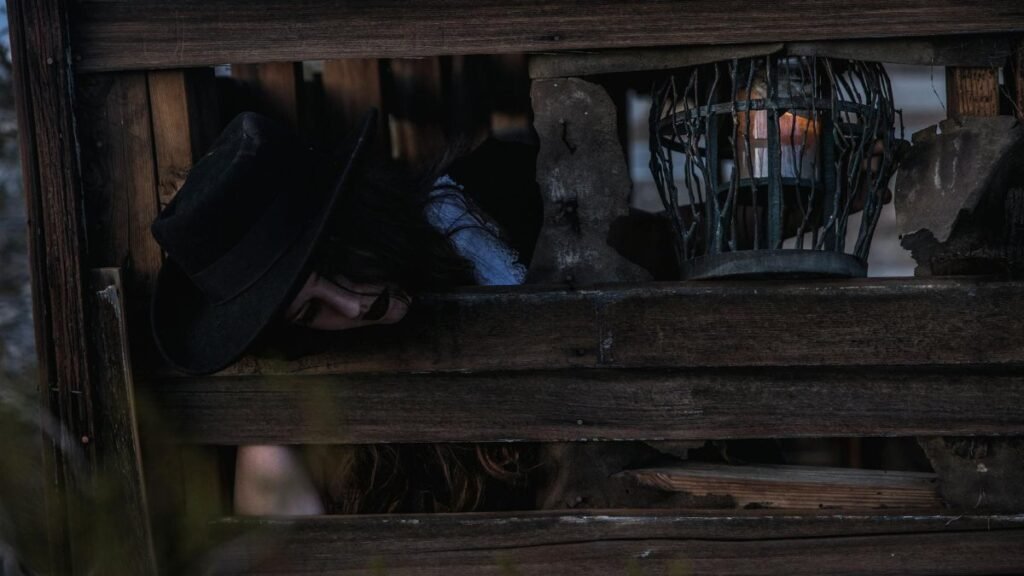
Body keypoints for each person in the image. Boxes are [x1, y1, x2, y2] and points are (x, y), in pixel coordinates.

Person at [151, 110, 541, 515]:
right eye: (310, 310)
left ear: (360, 222)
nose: (353, 305)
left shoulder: (494, 203)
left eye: (340, 266)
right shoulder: (303, 419)